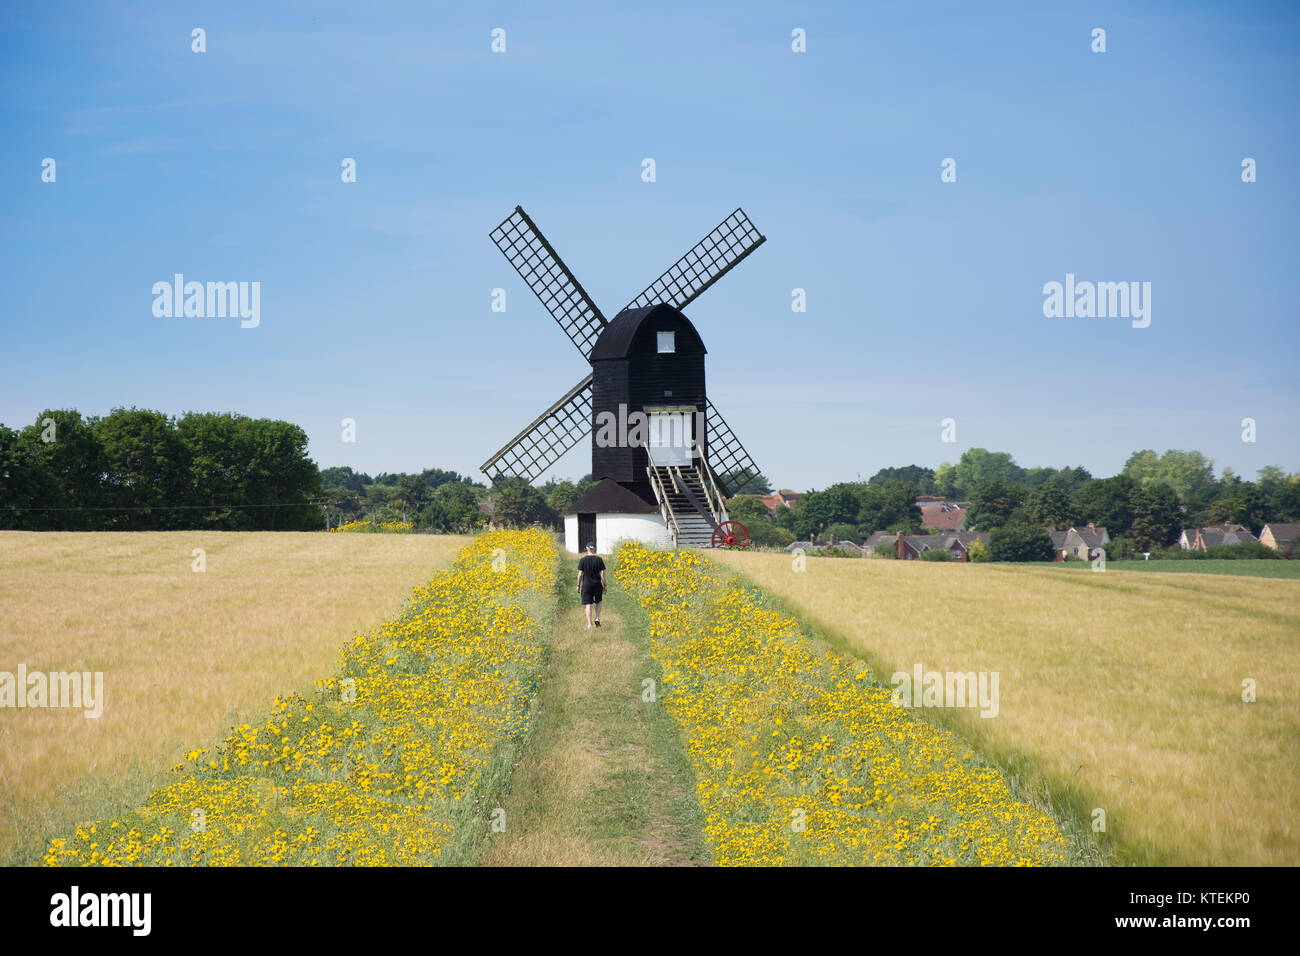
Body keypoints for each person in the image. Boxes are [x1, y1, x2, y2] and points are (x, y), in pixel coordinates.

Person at [576, 542, 606, 629]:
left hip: (586, 585)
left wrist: (578, 585)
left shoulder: (583, 560)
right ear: (595, 549)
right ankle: (597, 617)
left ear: (587, 549)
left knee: (588, 604)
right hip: (597, 584)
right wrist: (605, 584)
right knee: (598, 601)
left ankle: (589, 624)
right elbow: (602, 573)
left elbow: (580, 574)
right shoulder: (599, 560)